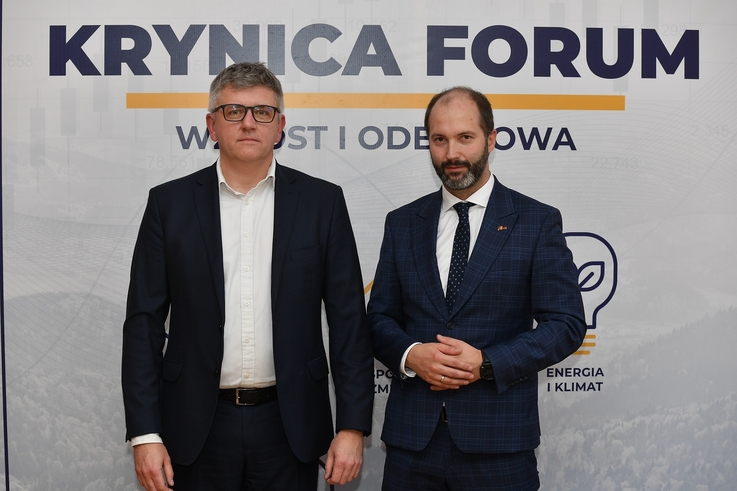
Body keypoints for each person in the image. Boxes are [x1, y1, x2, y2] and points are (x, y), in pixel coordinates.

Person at [122, 62, 374, 491]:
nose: (249, 123)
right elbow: (143, 324)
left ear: (280, 127)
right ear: (211, 125)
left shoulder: (322, 203)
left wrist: (351, 427)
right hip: (195, 426)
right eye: (234, 111)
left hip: (290, 425)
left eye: (262, 112)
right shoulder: (168, 205)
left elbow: (349, 322)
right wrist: (145, 434)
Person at [367, 86, 586, 491]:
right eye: (439, 139)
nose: (451, 153)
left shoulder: (536, 222)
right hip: (411, 446)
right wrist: (412, 355)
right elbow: (379, 318)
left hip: (499, 446)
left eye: (465, 137)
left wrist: (486, 363)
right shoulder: (402, 223)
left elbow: (566, 325)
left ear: (491, 139)